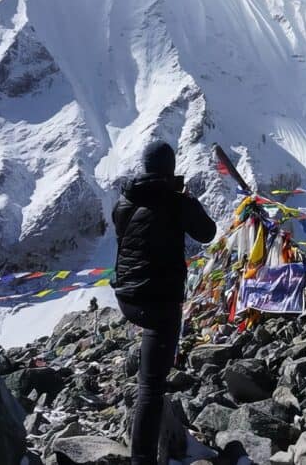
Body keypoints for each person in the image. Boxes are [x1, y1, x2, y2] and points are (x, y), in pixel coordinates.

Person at [112, 141, 215, 465]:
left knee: (149, 363)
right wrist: (186, 199)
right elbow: (207, 232)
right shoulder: (175, 202)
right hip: (158, 302)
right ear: (170, 168)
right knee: (152, 388)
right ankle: (142, 459)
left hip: (127, 297)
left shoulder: (125, 200)